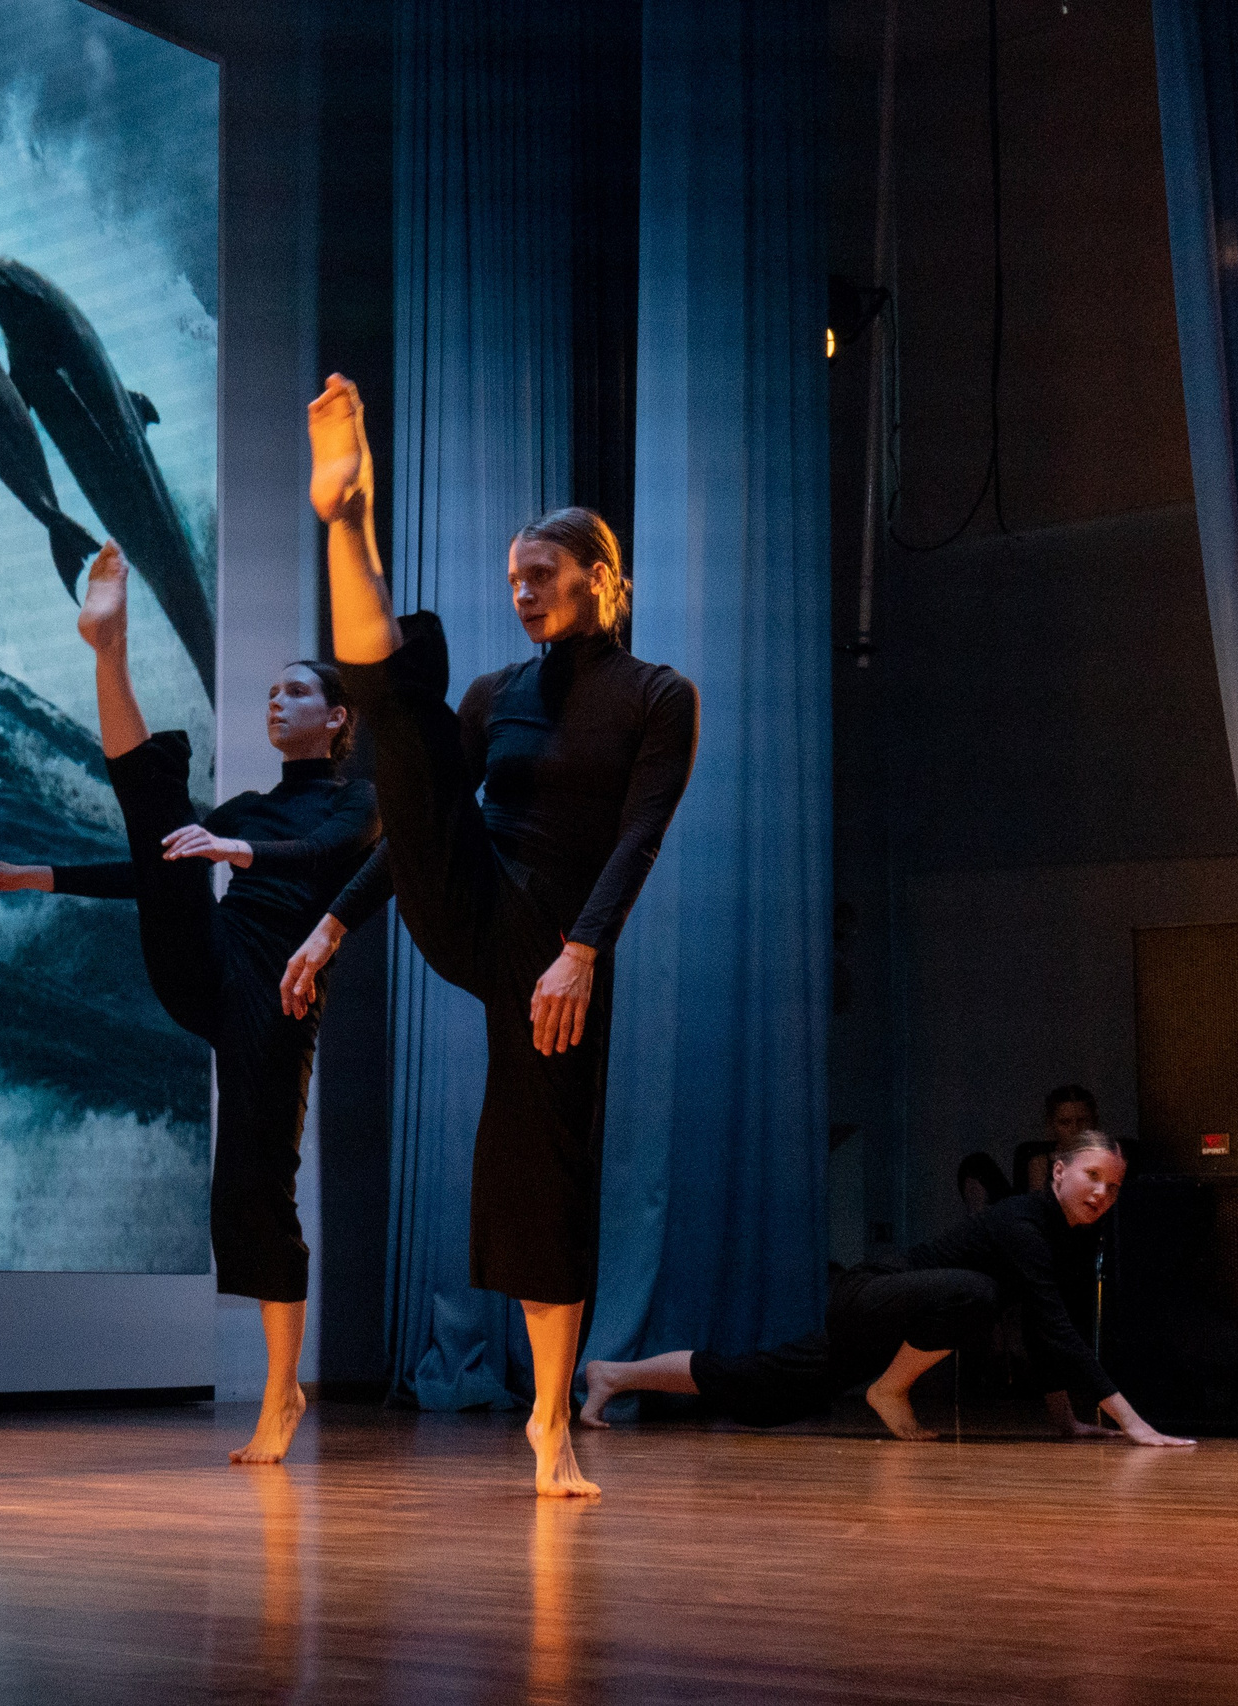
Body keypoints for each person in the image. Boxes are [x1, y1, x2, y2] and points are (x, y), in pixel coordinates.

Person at [305, 375, 699, 1497]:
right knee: (411, 739)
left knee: (544, 1172)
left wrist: (582, 952)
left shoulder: (659, 695)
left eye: (540, 576)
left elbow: (640, 835)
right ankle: (348, 518)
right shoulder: (495, 691)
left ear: (600, 579)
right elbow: (425, 824)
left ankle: (548, 1418)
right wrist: (332, 923)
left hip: (558, 947)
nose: (522, 593)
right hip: (476, 900)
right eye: (513, 579)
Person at [0, 544, 379, 1465]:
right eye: (270, 694)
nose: (277, 704)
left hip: (279, 995)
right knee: (163, 825)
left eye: (297, 693)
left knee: (253, 1191)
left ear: (337, 716)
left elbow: (326, 859)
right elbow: (158, 871)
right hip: (210, 962)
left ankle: (281, 1392)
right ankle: (108, 652)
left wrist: (237, 854)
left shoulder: (358, 803)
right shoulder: (250, 804)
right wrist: (39, 876)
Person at [577, 1130, 1195, 1446]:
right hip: (869, 1293)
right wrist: (1134, 1424)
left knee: (761, 1389)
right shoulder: (1022, 1223)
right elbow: (1056, 1326)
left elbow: (1042, 1332)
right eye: (1092, 1176)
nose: (1102, 1193)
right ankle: (891, 1389)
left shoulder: (1068, 1237)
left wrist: (1068, 1423)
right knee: (978, 1295)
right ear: (1059, 1172)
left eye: (1114, 1186)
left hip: (896, 1322)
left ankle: (612, 1375)